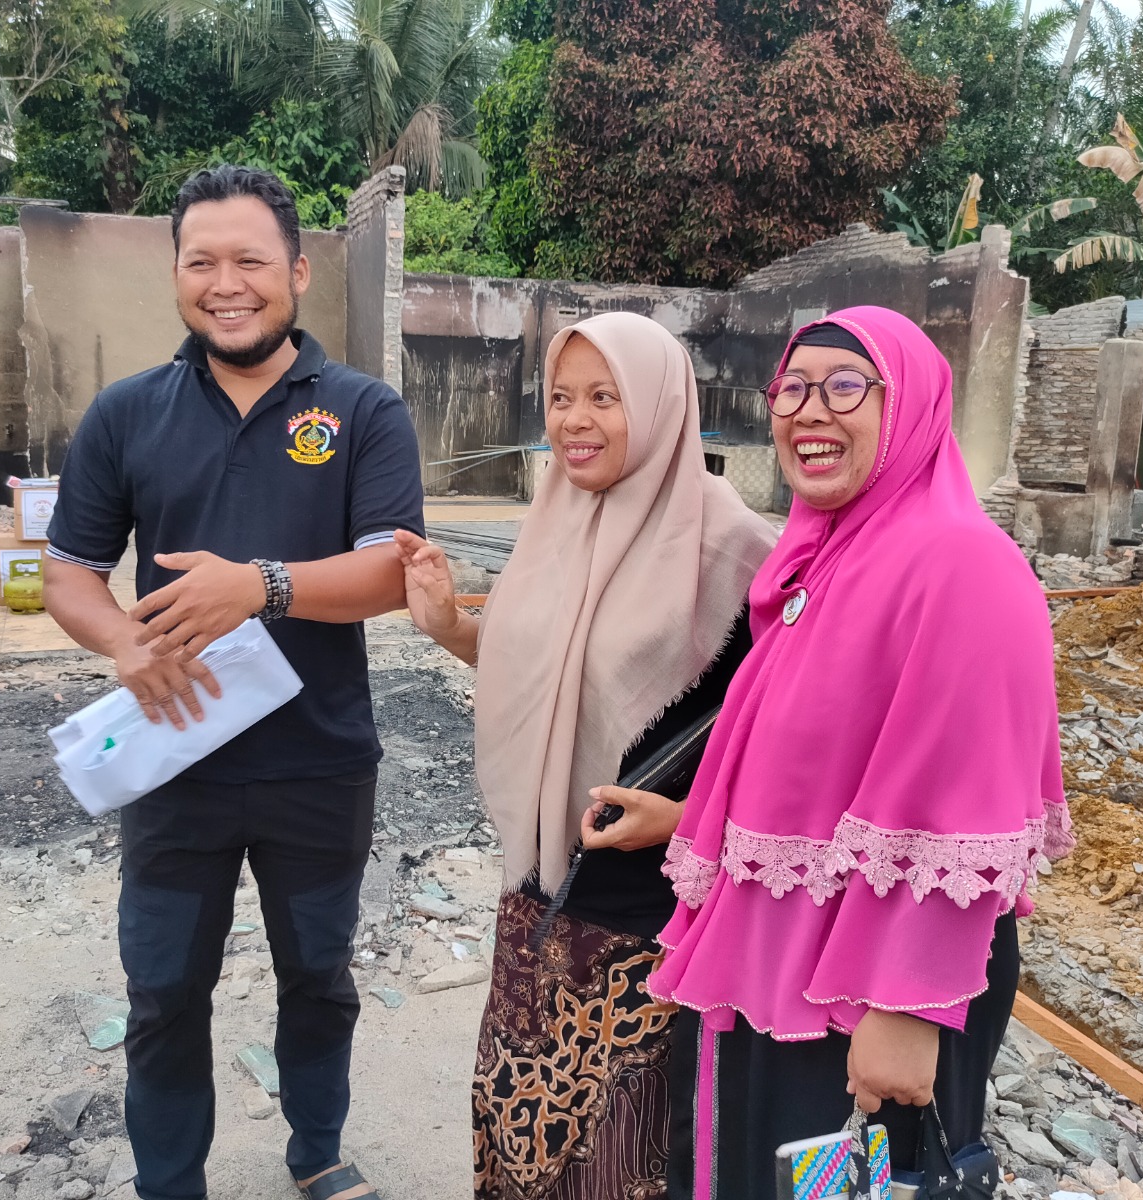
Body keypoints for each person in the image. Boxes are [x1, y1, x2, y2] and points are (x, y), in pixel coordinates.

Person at [43, 165, 424, 1200]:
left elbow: (390, 571)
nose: (225, 284)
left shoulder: (361, 410)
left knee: (318, 976)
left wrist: (259, 586)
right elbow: (68, 571)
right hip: (174, 765)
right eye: (200, 262)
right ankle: (170, 1183)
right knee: (164, 989)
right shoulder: (127, 414)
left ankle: (317, 1151)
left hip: (319, 763)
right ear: (176, 273)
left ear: (296, 271)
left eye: (249, 260)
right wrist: (124, 644)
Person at [642, 307, 1072, 1198]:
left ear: (909, 406)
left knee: (844, 1181)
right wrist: (691, 818)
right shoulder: (823, 564)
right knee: (749, 1172)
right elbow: (808, 770)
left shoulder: (963, 564)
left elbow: (967, 796)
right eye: (792, 389)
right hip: (780, 955)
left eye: (846, 387)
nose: (810, 411)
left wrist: (909, 1005)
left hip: (868, 986)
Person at [397, 312, 777, 1199]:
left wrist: (684, 821)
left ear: (658, 405)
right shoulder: (557, 523)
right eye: (561, 397)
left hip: (654, 921)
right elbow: (552, 680)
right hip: (540, 898)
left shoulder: (737, 553)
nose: (575, 420)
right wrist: (450, 626)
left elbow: (790, 747)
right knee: (521, 1127)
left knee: (624, 1158)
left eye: (605, 397)